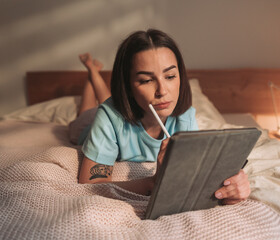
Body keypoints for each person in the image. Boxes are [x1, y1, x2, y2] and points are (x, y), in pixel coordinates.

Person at [72, 29, 250, 204]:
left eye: (170, 76)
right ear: (128, 87)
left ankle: (93, 72)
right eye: (147, 80)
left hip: (122, 107)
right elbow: (90, 184)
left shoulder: (185, 117)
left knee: (107, 101)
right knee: (90, 110)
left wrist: (229, 190)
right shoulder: (108, 117)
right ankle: (92, 71)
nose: (163, 91)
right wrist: (153, 182)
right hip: (87, 124)